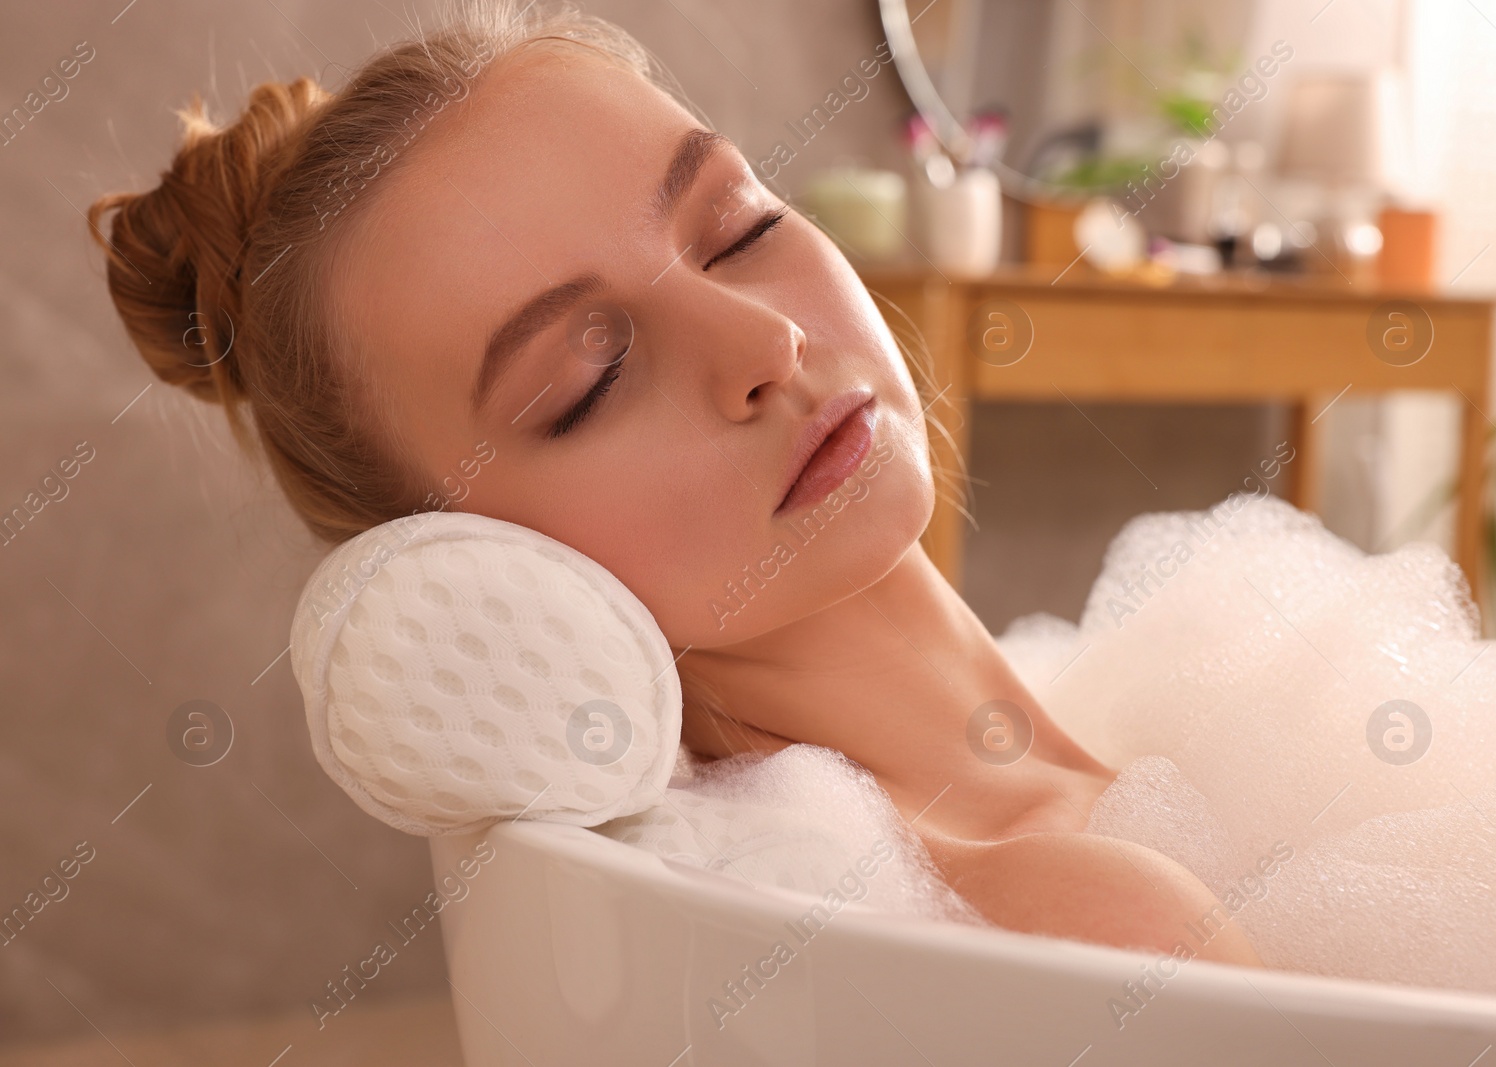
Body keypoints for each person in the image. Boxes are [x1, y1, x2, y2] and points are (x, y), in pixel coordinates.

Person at [88, 0, 1260, 967]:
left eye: (737, 228)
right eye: (590, 379)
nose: (762, 346)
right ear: (465, 558)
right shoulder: (1087, 922)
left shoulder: (1173, 743)